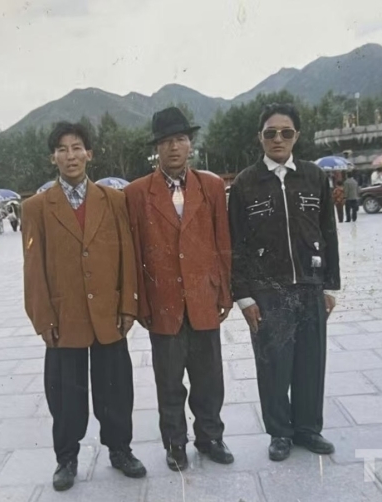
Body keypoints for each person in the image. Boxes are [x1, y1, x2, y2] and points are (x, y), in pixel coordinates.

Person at [22, 121, 146, 492]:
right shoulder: (36, 208)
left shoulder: (113, 200)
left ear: (89, 153)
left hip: (109, 314)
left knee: (116, 389)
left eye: (77, 147)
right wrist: (43, 318)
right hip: (65, 317)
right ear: (53, 158)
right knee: (65, 393)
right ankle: (66, 458)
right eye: (62, 149)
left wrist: (128, 305)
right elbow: (33, 269)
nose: (70, 156)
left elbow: (127, 254)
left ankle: (120, 450)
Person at [228, 103, 341, 462]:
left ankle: (308, 428)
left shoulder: (314, 177)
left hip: (310, 286)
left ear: (297, 136)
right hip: (268, 292)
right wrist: (244, 297)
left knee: (311, 362)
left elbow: (328, 232)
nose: (278, 139)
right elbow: (236, 244)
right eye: (271, 133)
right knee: (273, 365)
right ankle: (280, 433)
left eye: (286, 132)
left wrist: (329, 286)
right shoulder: (245, 183)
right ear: (260, 137)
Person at [124, 107, 234, 472]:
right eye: (167, 141)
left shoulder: (211, 186)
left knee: (209, 378)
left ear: (191, 144)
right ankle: (175, 444)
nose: (174, 147)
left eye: (181, 139)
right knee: (169, 382)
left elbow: (222, 242)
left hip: (204, 297)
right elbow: (135, 251)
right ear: (156, 148)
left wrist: (225, 292)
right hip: (163, 302)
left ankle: (211, 437)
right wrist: (141, 303)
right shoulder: (137, 193)